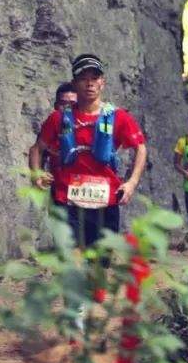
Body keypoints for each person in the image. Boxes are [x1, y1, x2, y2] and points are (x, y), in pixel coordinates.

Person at [28, 54, 148, 248]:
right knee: (71, 259)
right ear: (74, 83)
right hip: (67, 199)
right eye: (83, 78)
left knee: (100, 264)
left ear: (102, 82)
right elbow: (37, 149)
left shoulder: (119, 117)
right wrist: (36, 173)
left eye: (94, 78)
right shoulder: (58, 118)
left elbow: (140, 148)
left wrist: (132, 183)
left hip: (106, 200)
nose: (89, 84)